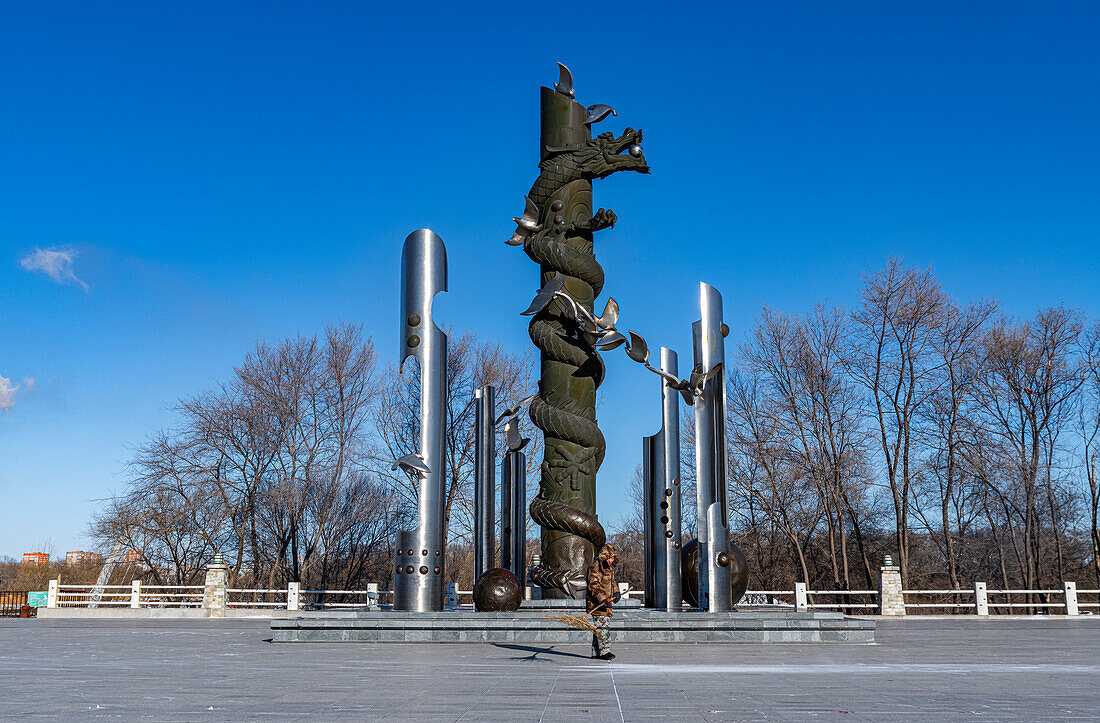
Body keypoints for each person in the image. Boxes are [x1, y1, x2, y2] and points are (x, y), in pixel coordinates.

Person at [586, 542, 620, 660]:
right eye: (609, 558)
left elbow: (612, 582)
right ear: (604, 557)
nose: (611, 560)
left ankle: (596, 653)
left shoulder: (609, 568)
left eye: (612, 558)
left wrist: (616, 591)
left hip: (607, 603)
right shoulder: (596, 567)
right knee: (603, 626)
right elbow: (593, 585)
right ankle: (605, 651)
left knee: (598, 627)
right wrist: (602, 599)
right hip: (597, 603)